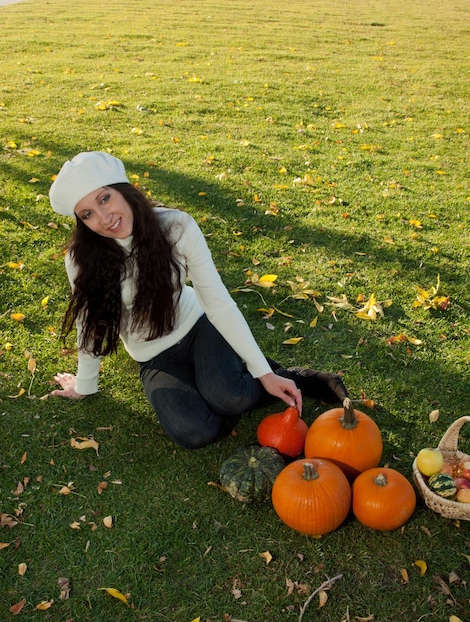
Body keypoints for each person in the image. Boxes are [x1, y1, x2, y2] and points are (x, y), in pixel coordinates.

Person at [48, 152, 348, 449]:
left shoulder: (177, 227)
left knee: (231, 396)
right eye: (87, 214)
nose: (103, 218)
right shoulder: (81, 260)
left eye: (104, 199)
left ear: (124, 190)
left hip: (200, 325)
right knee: (195, 431)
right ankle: (221, 382)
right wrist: (84, 385)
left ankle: (299, 379)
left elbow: (217, 302)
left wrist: (264, 373)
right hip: (154, 356)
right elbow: (91, 323)